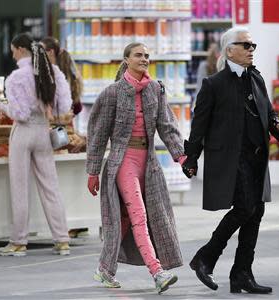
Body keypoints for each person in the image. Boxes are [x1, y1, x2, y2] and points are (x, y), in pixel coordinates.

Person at [182, 27, 279, 294]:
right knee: (245, 208)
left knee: (256, 212)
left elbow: (267, 109)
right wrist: (191, 156)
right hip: (231, 157)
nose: (252, 50)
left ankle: (242, 273)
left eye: (253, 46)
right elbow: (199, 124)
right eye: (246, 46)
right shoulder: (213, 84)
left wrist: (276, 124)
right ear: (230, 50)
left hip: (257, 157)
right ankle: (206, 257)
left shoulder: (257, 78)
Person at [86, 42, 186, 294]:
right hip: (122, 163)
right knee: (139, 215)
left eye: (147, 56)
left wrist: (182, 157)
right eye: (139, 55)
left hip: (149, 165)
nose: (144, 59)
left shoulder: (156, 89)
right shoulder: (112, 93)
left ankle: (104, 269)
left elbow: (168, 126)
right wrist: (93, 170)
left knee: (127, 219)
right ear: (126, 60)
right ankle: (157, 272)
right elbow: (97, 134)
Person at [0, 33, 72, 257]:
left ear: (20, 49)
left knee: (20, 188)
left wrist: (1, 107)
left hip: (23, 132)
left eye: (13, 50)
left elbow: (19, 112)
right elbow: (64, 106)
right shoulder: (53, 73)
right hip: (43, 132)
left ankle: (19, 242)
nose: (12, 54)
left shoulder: (16, 77)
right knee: (51, 186)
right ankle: (62, 239)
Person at [40, 36, 83, 116]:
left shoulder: (55, 75)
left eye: (41, 51)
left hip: (54, 124)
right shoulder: (66, 72)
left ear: (51, 52)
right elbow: (78, 107)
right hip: (65, 124)